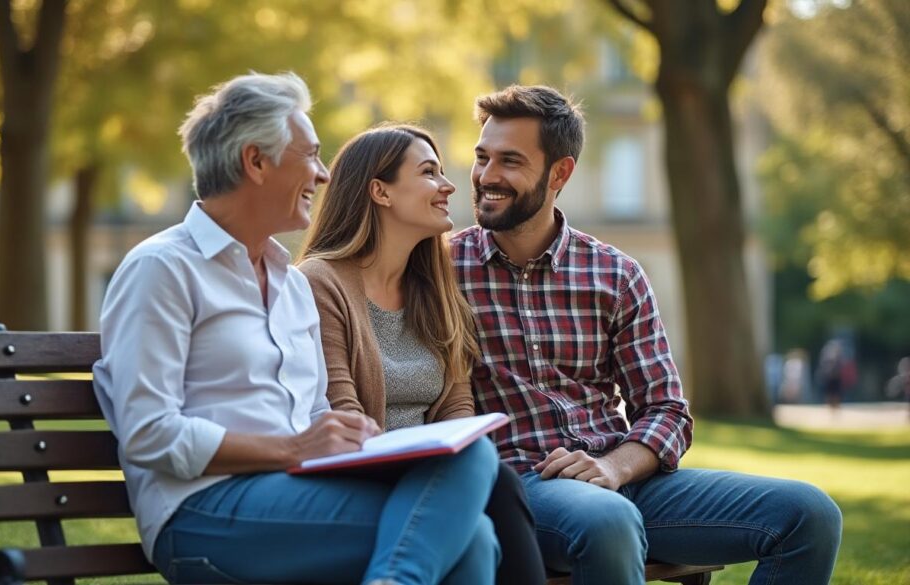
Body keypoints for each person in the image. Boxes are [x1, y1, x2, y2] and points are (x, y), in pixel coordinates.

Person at [92, 73, 501, 585]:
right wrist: (291, 449)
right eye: (309, 155)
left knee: (473, 470)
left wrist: (351, 440)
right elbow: (149, 433)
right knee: (461, 538)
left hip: (297, 492)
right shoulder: (162, 268)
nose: (324, 174)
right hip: (201, 512)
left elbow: (314, 415)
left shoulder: (288, 284)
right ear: (255, 161)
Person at [449, 84, 844, 585]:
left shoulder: (615, 273)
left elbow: (667, 410)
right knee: (607, 522)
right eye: (482, 157)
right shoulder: (442, 270)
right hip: (523, 483)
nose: (486, 176)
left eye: (509, 161)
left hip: (625, 479)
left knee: (810, 515)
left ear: (560, 172)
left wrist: (614, 468)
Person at [297, 124, 547, 585]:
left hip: (438, 471)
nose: (449, 186)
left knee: (493, 486)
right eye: (429, 172)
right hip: (361, 475)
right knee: (496, 489)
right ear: (380, 192)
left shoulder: (435, 288)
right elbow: (342, 414)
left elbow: (457, 407)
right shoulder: (321, 283)